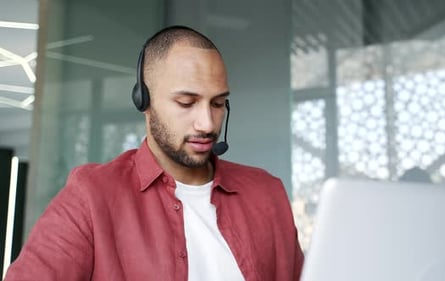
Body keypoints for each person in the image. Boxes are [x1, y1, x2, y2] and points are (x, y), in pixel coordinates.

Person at [5, 25, 304, 280]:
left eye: (217, 103)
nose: (207, 123)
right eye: (187, 103)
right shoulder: (92, 196)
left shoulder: (267, 194)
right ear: (143, 100)